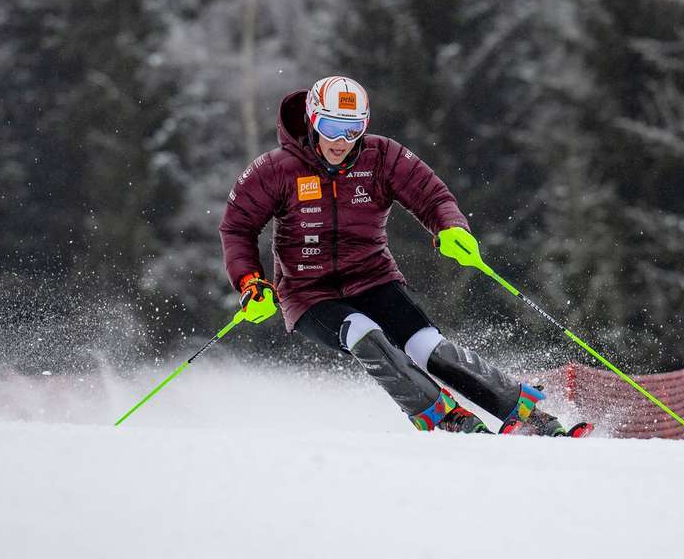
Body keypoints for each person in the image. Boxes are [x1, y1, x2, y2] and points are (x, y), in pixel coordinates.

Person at [219, 76, 589, 436]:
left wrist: (451, 228)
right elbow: (237, 228)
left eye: (352, 130)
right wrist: (251, 281)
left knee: (426, 344)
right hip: (308, 293)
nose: (340, 141)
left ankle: (526, 415)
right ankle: (445, 417)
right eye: (331, 127)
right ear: (313, 120)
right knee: (363, 333)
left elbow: (433, 198)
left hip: (373, 278)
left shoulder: (381, 156)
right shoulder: (276, 169)